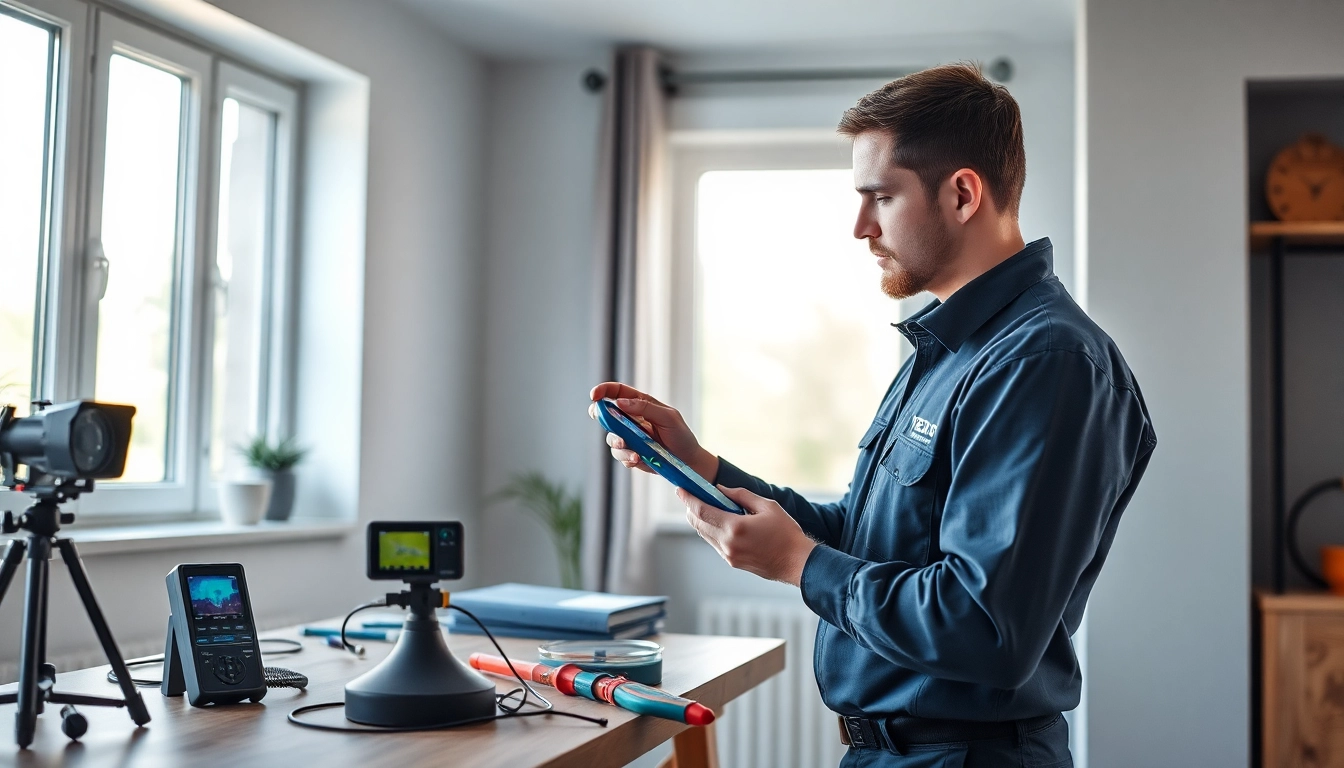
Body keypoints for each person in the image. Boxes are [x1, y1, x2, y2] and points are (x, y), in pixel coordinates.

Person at [590, 62, 1155, 768]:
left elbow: (984, 627)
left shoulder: (1047, 363)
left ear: (962, 193)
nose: (859, 226)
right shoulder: (944, 348)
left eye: (880, 197)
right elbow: (866, 535)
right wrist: (702, 466)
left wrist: (798, 564)